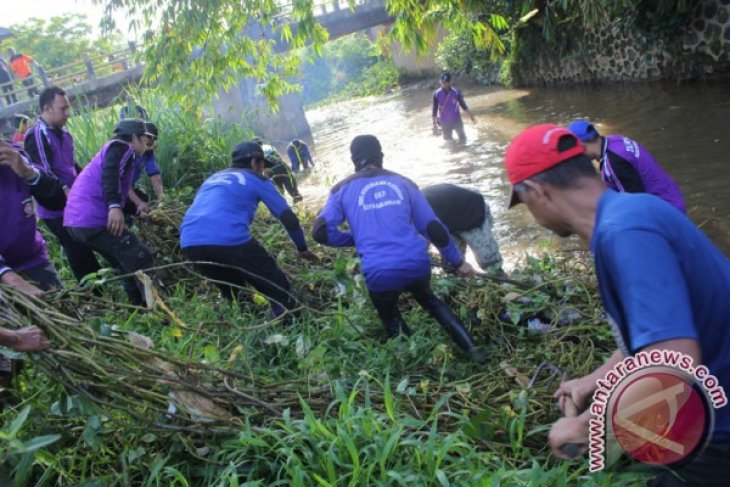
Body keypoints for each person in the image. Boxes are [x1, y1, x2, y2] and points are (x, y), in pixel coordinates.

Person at [504, 124, 730, 486]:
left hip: (719, 431)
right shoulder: (633, 212)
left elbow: (675, 361)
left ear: (537, 192)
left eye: (523, 201)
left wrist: (586, 424)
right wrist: (594, 381)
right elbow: (653, 337)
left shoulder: (624, 235)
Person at [312, 134, 482, 357]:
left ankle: (415, 365)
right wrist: (458, 261)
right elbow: (432, 227)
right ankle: (474, 351)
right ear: (381, 156)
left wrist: (354, 238)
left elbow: (320, 231)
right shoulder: (404, 183)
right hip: (416, 265)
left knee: (390, 316)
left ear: (354, 160)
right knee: (431, 302)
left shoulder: (341, 190)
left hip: (379, 273)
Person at [180, 141, 317, 319]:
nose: (264, 171)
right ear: (254, 163)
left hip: (190, 241)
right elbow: (288, 218)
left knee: (234, 290)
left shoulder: (213, 179)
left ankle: (252, 325)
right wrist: (302, 248)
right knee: (275, 284)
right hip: (228, 238)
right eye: (262, 166)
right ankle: (292, 323)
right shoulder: (257, 179)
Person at [63, 119, 157, 305]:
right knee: (141, 257)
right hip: (92, 219)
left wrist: (137, 210)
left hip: (76, 221)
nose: (146, 144)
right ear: (133, 138)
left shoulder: (114, 150)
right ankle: (159, 307)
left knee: (123, 263)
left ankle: (138, 308)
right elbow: (110, 175)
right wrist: (114, 206)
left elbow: (120, 188)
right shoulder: (122, 147)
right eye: (144, 139)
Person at [24, 87, 102, 283]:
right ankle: (93, 289)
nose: (67, 113)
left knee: (84, 244)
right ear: (47, 108)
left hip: (73, 200)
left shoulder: (64, 134)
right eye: (62, 109)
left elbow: (70, 165)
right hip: (55, 206)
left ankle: (99, 283)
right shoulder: (37, 134)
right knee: (75, 248)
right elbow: (43, 170)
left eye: (67, 109)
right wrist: (68, 192)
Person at [567, 119, 686, 214]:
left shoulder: (614, 163)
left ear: (582, 145)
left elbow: (632, 204)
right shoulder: (614, 141)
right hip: (672, 196)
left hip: (666, 211)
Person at [0, 139, 66, 296]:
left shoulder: (14, 155)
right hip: (4, 273)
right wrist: (9, 277)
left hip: (31, 259)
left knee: (61, 309)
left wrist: (28, 172)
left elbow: (56, 201)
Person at [422, 183, 503, 272]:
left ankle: (503, 282)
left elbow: (426, 238)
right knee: (451, 267)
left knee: (490, 264)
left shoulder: (419, 212)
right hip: (446, 217)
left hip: (471, 211)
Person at [125, 122, 164, 219]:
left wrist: (161, 195)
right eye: (148, 138)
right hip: (117, 189)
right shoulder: (127, 152)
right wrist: (138, 203)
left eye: (153, 139)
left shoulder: (149, 154)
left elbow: (154, 175)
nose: (151, 141)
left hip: (129, 187)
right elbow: (123, 184)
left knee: (144, 198)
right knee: (132, 207)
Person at [253, 138, 303, 203]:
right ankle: (300, 203)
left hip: (271, 172)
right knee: (293, 192)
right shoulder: (269, 147)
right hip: (282, 167)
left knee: (280, 194)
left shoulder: (256, 154)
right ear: (261, 143)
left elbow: (261, 169)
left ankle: (289, 207)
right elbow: (279, 157)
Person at [431, 72, 476, 143]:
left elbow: (463, 105)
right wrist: (434, 125)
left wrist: (471, 117)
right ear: (440, 82)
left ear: (450, 82)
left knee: (463, 139)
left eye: (447, 82)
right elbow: (434, 110)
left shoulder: (456, 92)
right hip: (445, 122)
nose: (445, 84)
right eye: (443, 82)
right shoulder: (436, 94)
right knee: (449, 142)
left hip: (457, 120)